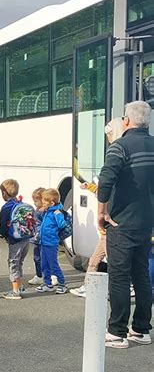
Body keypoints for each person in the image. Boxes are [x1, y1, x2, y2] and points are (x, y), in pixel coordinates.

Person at [97, 101, 154, 348]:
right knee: (141, 274)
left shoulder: (120, 147)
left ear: (127, 121)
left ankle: (117, 332)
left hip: (121, 222)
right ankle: (141, 329)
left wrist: (102, 210)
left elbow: (106, 178)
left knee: (119, 275)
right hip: (146, 222)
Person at [70, 118, 125, 298]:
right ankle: (91, 285)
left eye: (109, 134)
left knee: (108, 260)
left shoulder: (117, 153)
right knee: (97, 258)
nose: (108, 138)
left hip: (110, 224)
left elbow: (105, 188)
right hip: (111, 226)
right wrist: (91, 187)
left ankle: (102, 288)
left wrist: (101, 212)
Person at [0, 179, 31, 300]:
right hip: (25, 238)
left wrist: (5, 236)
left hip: (15, 239)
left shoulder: (6, 207)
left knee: (13, 262)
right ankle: (20, 285)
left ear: (4, 193)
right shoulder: (21, 203)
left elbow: (3, 226)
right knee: (20, 262)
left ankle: (15, 290)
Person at [35, 188, 67, 295]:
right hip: (44, 242)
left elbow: (62, 224)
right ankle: (47, 283)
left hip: (51, 242)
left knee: (53, 264)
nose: (43, 203)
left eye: (45, 201)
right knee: (44, 264)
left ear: (52, 203)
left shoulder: (56, 212)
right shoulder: (48, 211)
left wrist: (58, 215)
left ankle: (62, 283)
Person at [28, 187, 45, 286]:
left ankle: (50, 275)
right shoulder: (37, 210)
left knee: (46, 257)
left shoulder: (45, 211)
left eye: (36, 201)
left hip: (44, 238)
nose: (34, 203)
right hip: (36, 238)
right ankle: (39, 275)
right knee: (36, 257)